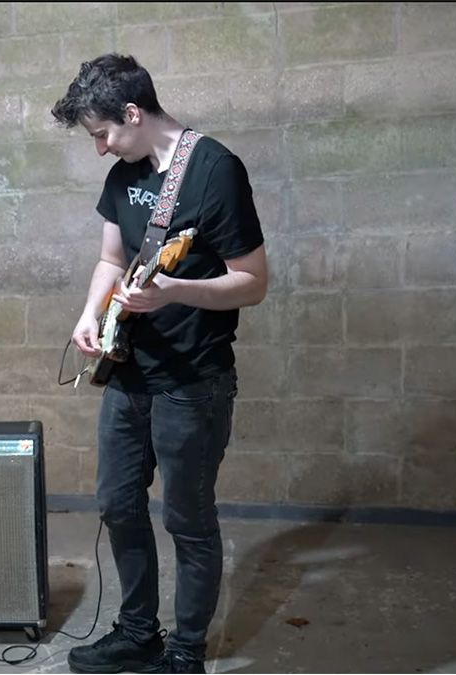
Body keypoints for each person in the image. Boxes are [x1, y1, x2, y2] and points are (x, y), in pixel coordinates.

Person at [51, 54, 269, 674]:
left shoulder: (215, 170)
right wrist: (90, 313)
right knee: (118, 504)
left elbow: (252, 282)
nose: (99, 149)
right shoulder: (124, 171)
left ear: (133, 112)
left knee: (187, 517)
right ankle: (138, 631)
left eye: (102, 133)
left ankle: (186, 648)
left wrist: (173, 292)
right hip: (129, 371)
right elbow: (110, 261)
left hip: (193, 381)